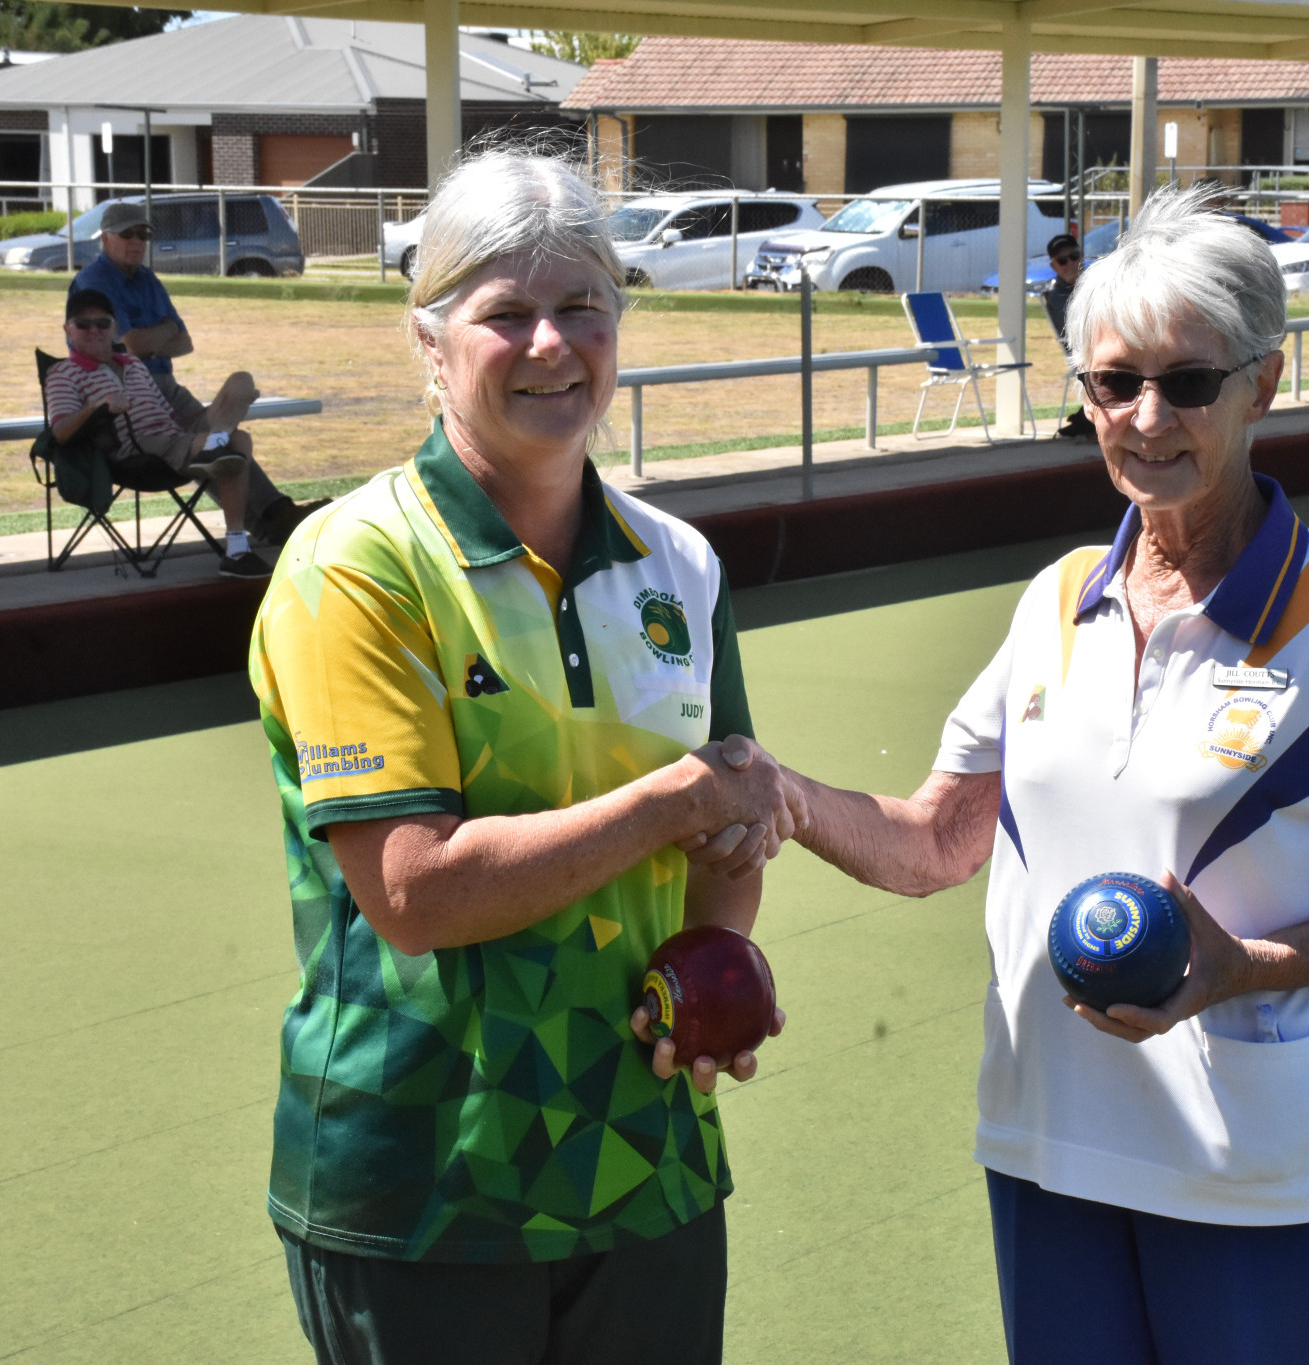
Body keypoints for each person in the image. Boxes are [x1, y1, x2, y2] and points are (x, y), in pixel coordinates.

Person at [731, 184, 1309, 1365]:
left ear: (1262, 385)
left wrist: (1240, 970)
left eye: (1187, 383)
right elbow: (936, 839)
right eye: (1110, 382)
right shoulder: (1057, 598)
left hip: (1258, 1180)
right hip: (1050, 1147)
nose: (1144, 417)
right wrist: (770, 789)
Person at [247, 148, 796, 1365]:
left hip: (643, 1151)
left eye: (582, 309)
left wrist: (716, 962)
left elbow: (723, 839)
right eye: (506, 314)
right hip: (425, 1184)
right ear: (430, 344)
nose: (552, 344)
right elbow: (414, 892)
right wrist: (674, 802)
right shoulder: (356, 566)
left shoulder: (679, 563)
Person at [70, 200, 322, 545]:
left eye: (143, 233)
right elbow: (128, 347)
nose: (137, 241)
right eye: (126, 234)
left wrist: (151, 340)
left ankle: (271, 517)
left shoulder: (147, 279)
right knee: (221, 445)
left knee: (237, 394)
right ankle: (273, 516)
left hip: (166, 386)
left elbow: (185, 342)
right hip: (129, 397)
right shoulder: (93, 283)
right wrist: (163, 331)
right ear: (106, 239)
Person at [46, 289, 275, 579]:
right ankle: (236, 548)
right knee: (233, 444)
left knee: (240, 388)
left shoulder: (135, 365)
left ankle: (216, 446)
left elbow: (173, 419)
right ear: (67, 330)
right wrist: (97, 406)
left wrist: (221, 409)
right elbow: (61, 433)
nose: (94, 330)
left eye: (102, 323)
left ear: (115, 329)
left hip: (175, 437)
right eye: (83, 324)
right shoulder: (63, 373)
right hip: (140, 453)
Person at [1040, 233, 1096, 440]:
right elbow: (1081, 330)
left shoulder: (1095, 282)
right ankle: (1087, 419)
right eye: (1062, 260)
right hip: (1084, 353)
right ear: (1054, 266)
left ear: (1081, 256)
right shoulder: (1058, 296)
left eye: (1073, 256)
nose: (1069, 263)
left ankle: (1086, 418)